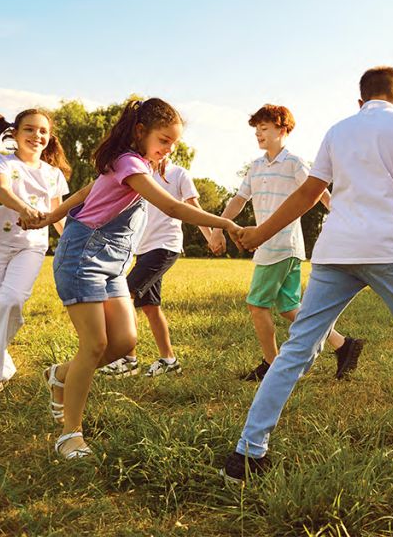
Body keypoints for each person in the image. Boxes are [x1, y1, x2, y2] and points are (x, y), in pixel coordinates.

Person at [223, 67, 393, 482]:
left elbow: (308, 194)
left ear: (360, 102)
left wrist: (260, 232)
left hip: (336, 251)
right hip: (388, 249)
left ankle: (246, 455)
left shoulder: (338, 130)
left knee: (297, 348)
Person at [31, 97, 240, 460]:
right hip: (82, 258)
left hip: (113, 265)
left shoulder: (137, 164)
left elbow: (85, 192)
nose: (168, 149)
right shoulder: (129, 163)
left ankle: (61, 375)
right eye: (163, 140)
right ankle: (70, 435)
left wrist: (51, 217)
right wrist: (226, 223)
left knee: (124, 342)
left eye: (173, 143)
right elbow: (172, 206)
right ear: (140, 132)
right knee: (94, 345)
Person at [215, 104, 364, 382]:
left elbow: (318, 192)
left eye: (264, 128)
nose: (259, 134)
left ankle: (272, 365)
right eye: (256, 129)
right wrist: (219, 227)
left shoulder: (295, 163)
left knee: (257, 306)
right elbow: (239, 199)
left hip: (282, 245)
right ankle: (344, 345)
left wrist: (343, 218)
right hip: (272, 247)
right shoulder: (255, 167)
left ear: (283, 129)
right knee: (289, 308)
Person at [0, 96, 78, 402]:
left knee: (10, 300)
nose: (37, 135)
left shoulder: (53, 174)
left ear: (49, 138)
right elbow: (2, 191)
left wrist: (75, 243)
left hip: (31, 247)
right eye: (30, 129)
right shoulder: (1, 162)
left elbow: (58, 215)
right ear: (15, 133)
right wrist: (25, 209)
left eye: (43, 131)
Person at [100, 158, 226, 378]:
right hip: (143, 248)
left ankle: (128, 360)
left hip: (165, 246)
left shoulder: (179, 174)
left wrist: (210, 236)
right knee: (150, 306)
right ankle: (169, 360)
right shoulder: (139, 173)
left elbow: (193, 207)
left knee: (124, 296)